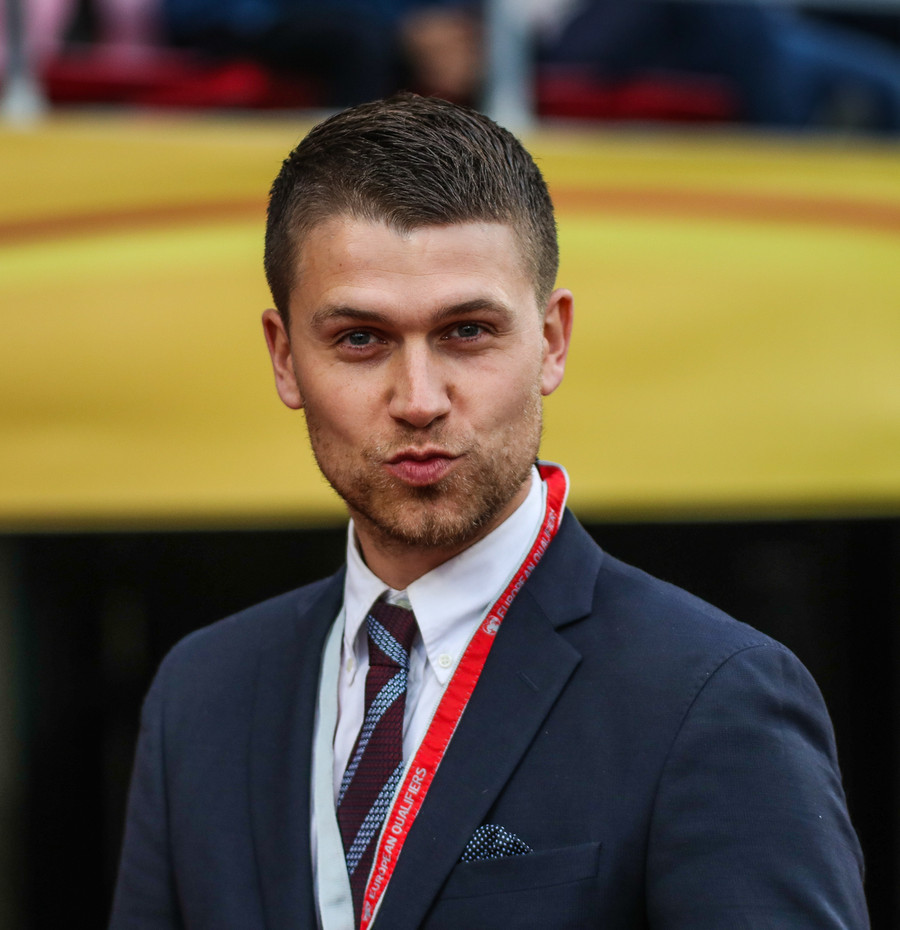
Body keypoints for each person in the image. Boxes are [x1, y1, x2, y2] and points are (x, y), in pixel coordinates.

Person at [108, 93, 868, 929]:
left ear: (552, 341)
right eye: (360, 339)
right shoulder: (202, 694)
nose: (419, 399)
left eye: (467, 331)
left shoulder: (712, 696)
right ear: (285, 358)